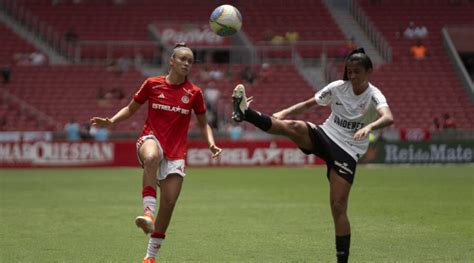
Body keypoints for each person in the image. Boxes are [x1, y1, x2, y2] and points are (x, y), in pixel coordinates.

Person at [231, 48, 394, 263]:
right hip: (325, 135)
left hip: (347, 151)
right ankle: (246, 113)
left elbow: (388, 117)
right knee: (292, 127)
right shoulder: (337, 87)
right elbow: (308, 104)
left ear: (368, 71)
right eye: (349, 71)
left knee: (338, 207)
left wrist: (370, 126)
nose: (352, 76)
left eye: (357, 72)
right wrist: (284, 113)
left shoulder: (374, 95)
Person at [90, 42, 222, 263]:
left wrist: (211, 143)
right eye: (182, 59)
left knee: (169, 204)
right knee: (152, 157)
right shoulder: (152, 84)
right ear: (171, 61)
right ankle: (147, 213)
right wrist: (111, 120)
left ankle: (150, 257)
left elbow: (203, 124)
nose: (186, 63)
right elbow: (132, 109)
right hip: (150, 139)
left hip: (176, 153)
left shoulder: (194, 93)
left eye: (190, 61)